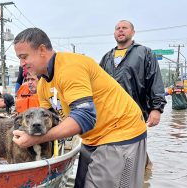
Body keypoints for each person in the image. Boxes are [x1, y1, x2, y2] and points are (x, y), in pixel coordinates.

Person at [12, 28, 147, 188]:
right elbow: (48, 122)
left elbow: (85, 117)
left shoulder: (70, 67)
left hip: (120, 134)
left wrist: (37, 139)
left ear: (42, 50)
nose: (22, 64)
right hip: (92, 137)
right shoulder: (43, 85)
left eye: (24, 57)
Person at [100, 20, 167, 168]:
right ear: (114, 33)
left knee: (135, 150)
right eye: (117, 28)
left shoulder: (144, 52)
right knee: (114, 152)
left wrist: (156, 109)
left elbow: (155, 80)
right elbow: (97, 86)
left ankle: (145, 173)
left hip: (135, 112)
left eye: (125, 28)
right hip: (110, 115)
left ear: (133, 32)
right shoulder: (106, 57)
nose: (121, 30)